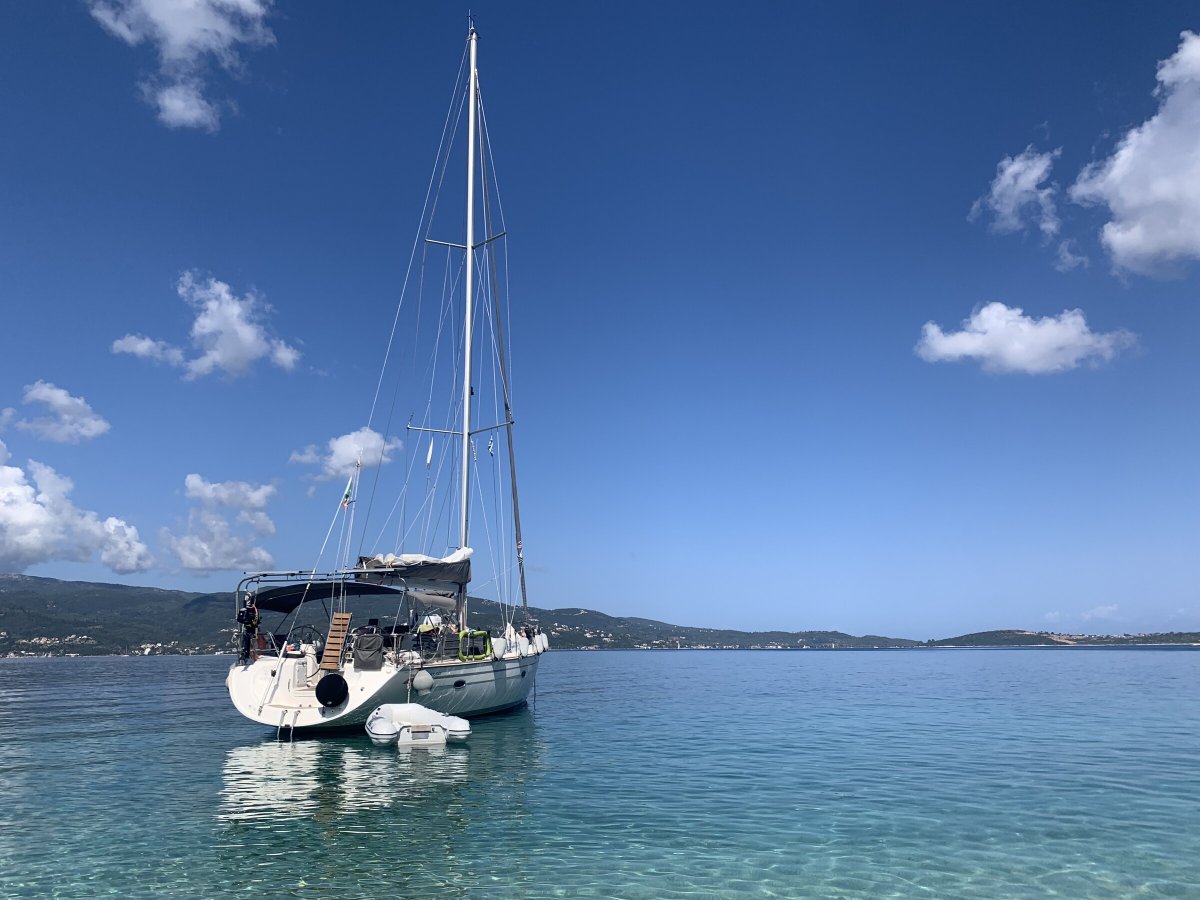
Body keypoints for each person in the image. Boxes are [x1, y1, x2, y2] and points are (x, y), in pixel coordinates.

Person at [236, 596, 260, 661]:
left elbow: (257, 619)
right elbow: (239, 619)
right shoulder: (244, 610)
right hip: (248, 627)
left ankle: (248, 653)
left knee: (248, 637)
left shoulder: (254, 610)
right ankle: (245, 653)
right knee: (246, 638)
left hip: (253, 627)